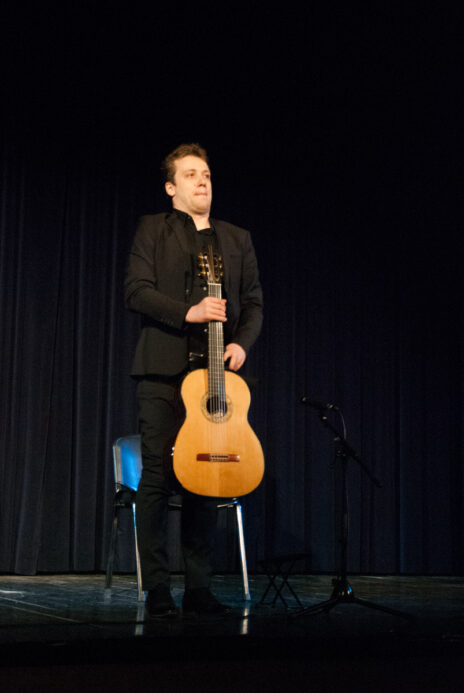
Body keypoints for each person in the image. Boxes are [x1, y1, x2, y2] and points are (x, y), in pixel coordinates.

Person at [125, 143, 263, 617]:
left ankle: (199, 590)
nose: (202, 180)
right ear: (171, 188)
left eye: (205, 173)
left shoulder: (236, 238)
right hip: (161, 373)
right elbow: (136, 291)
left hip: (212, 379)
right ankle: (158, 589)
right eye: (190, 174)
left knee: (207, 480)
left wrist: (241, 343)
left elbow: (253, 302)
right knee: (157, 479)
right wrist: (190, 312)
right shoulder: (153, 229)